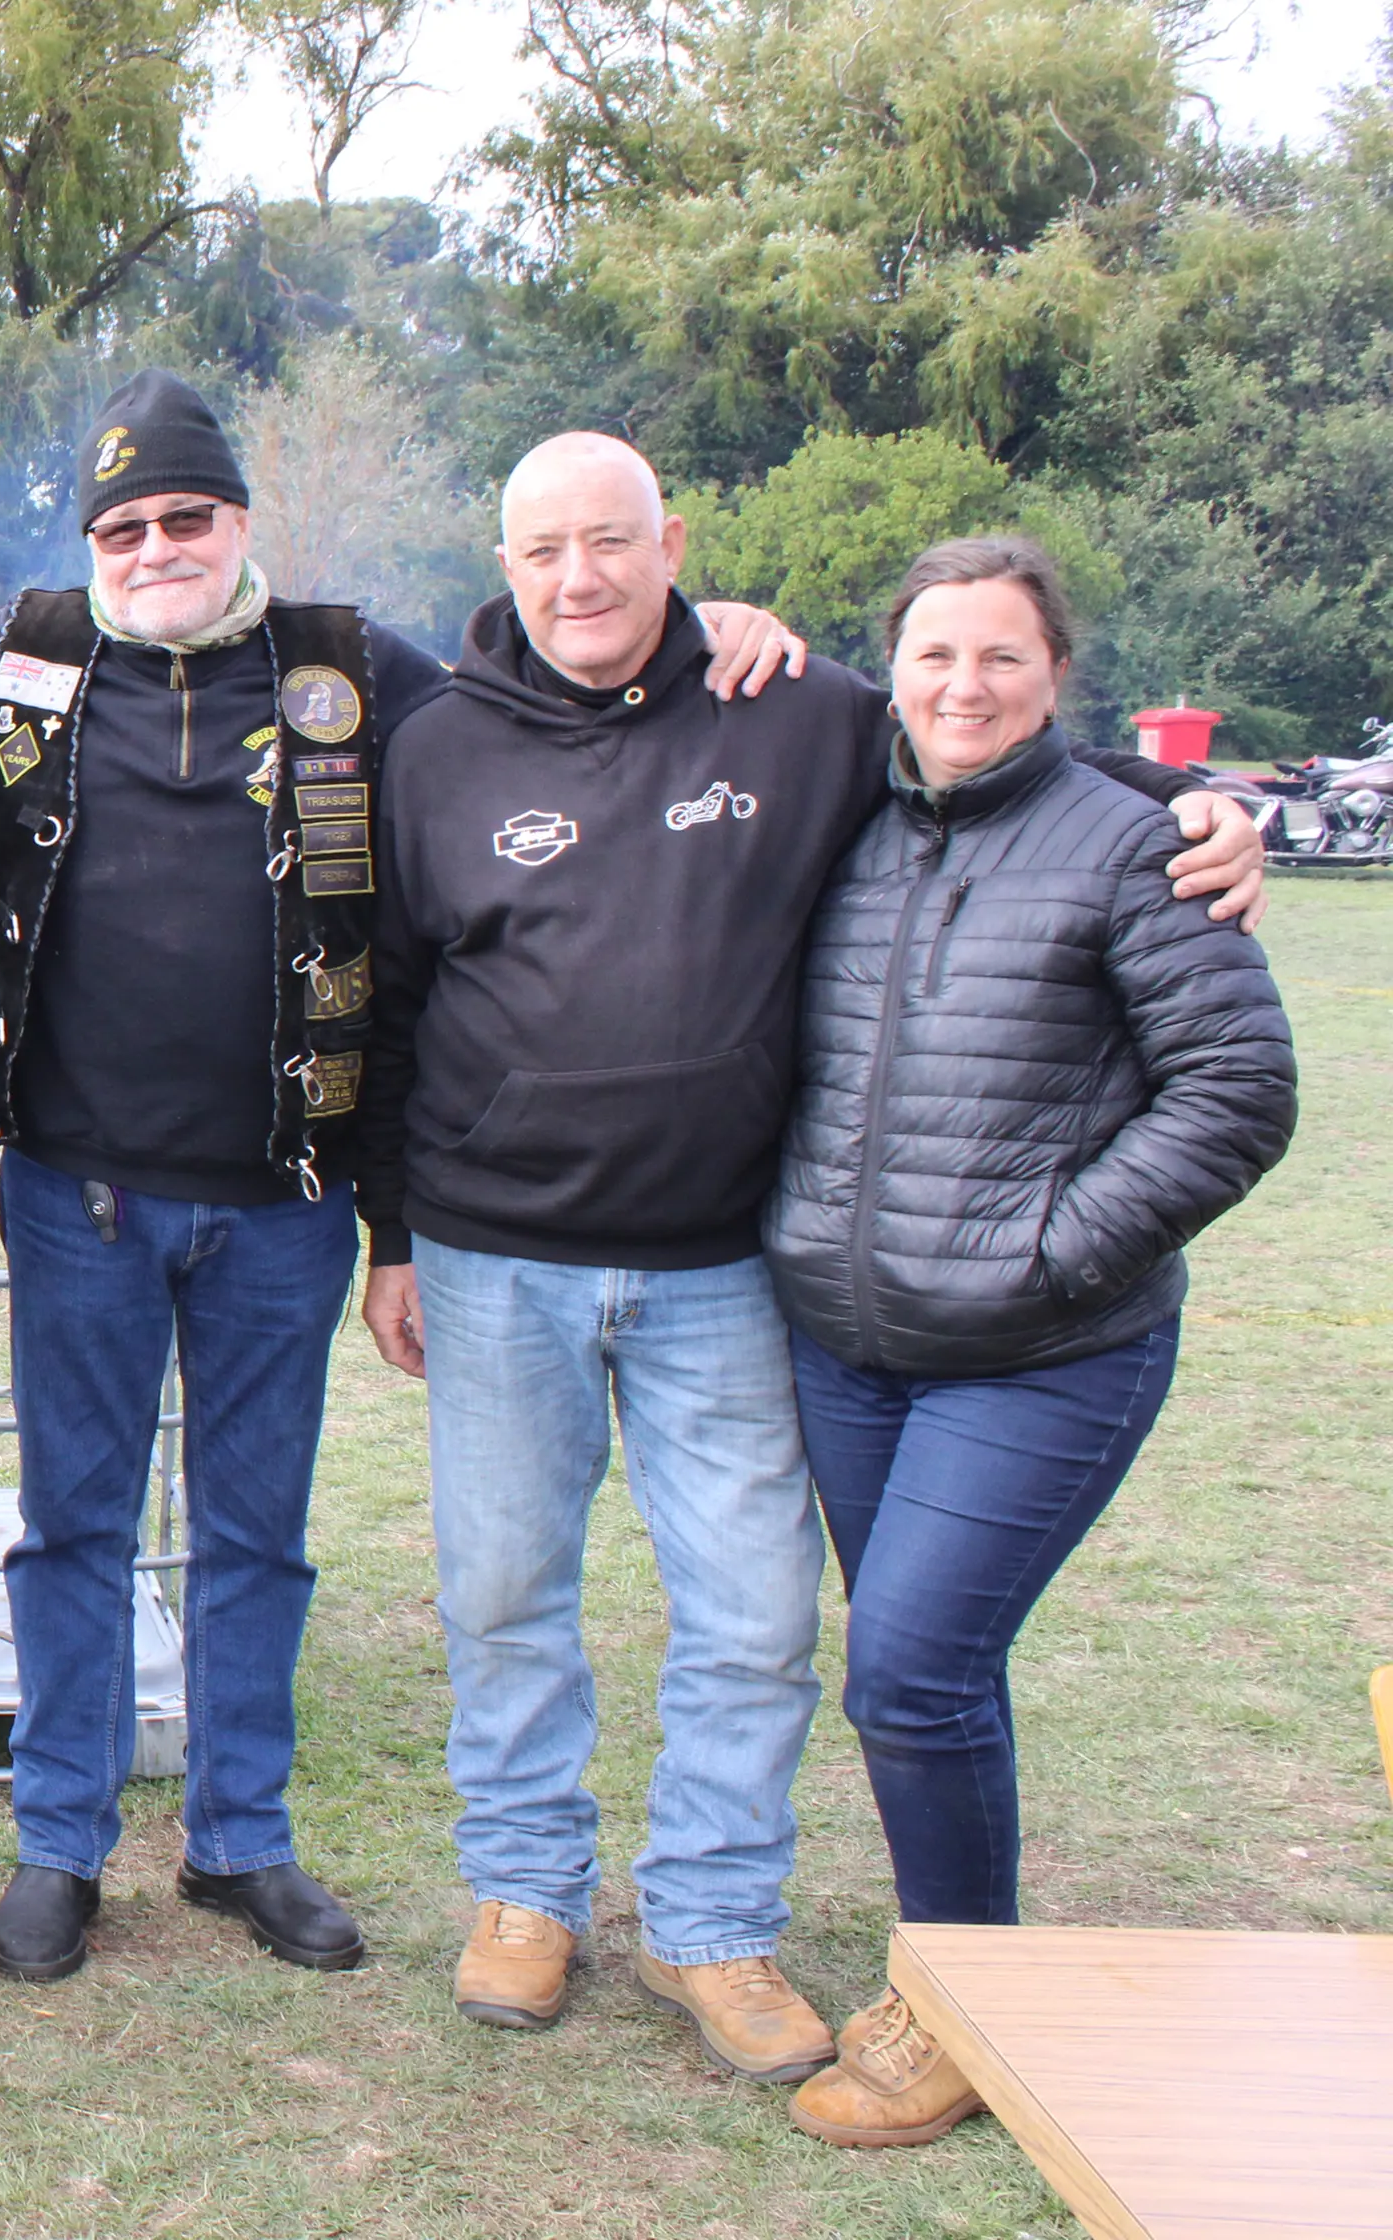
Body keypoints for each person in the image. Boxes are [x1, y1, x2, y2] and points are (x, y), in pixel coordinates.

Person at [0, 372, 807, 1987]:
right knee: (71, 1529)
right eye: (124, 525)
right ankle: (59, 1847)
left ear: (240, 524)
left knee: (255, 1537)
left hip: (286, 1195)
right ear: (90, 545)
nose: (156, 547)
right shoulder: (20, 662)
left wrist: (716, 632)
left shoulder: (355, 667)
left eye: (186, 519)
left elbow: (552, 684)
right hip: (79, 1191)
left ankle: (241, 1842)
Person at [356, 434, 1265, 2088]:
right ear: (505, 560)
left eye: (613, 543)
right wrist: (393, 1237)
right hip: (496, 1261)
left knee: (757, 1610)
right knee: (502, 1598)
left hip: (722, 1267)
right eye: (546, 548)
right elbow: (393, 1013)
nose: (580, 579)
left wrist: (1192, 803)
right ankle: (524, 1896)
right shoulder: (430, 753)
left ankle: (712, 1920)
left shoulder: (795, 707)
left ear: (671, 542)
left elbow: (983, 745)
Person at [761, 539, 1295, 2146]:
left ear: (1056, 671)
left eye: (1001, 657)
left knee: (910, 1669)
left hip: (1048, 1350)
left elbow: (1238, 1092)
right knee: (931, 1669)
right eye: (934, 657)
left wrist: (1051, 1252)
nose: (963, 687)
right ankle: (966, 1959)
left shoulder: (1139, 849)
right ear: (893, 674)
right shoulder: (850, 819)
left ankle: (966, 2005)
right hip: (851, 1345)